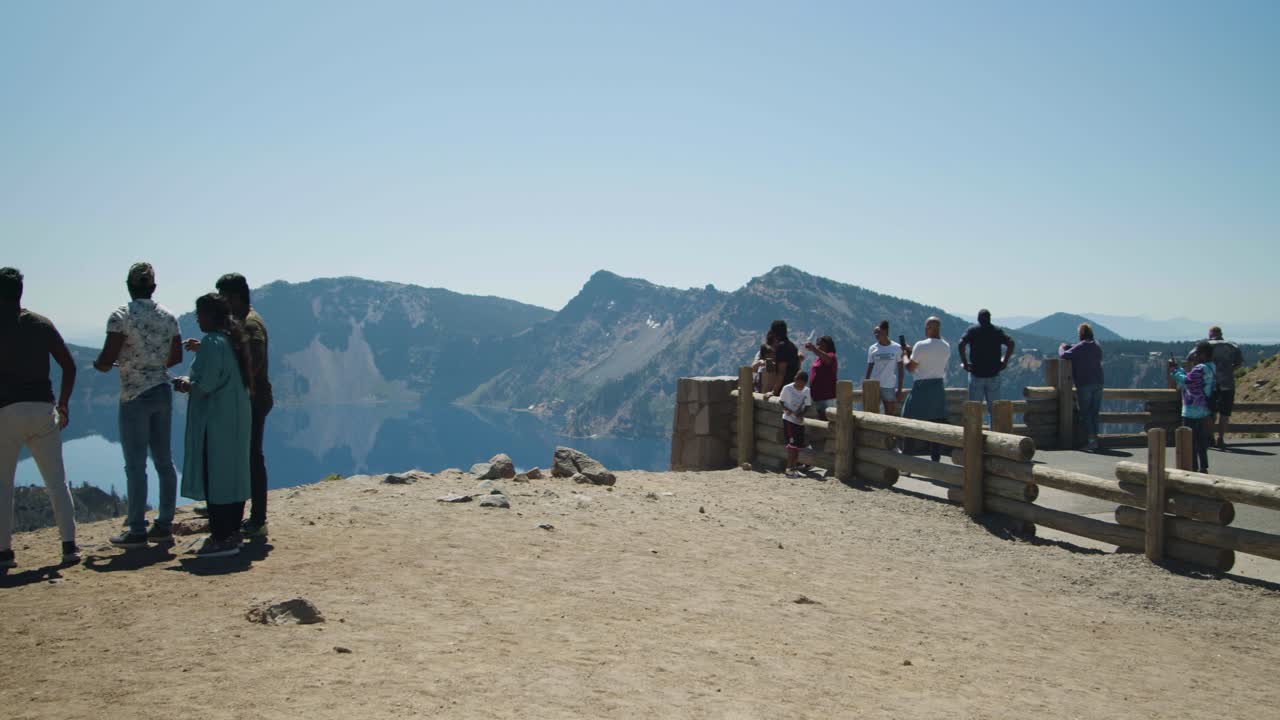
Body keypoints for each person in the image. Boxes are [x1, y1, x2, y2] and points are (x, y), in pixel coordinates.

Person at [94, 263, 183, 548]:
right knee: (164, 461)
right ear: (153, 288)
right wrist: (153, 365)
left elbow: (107, 358)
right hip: (161, 391)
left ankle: (136, 529)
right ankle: (165, 524)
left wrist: (103, 364)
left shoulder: (120, 316)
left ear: (129, 287)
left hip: (134, 396)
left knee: (135, 464)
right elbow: (177, 356)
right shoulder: (169, 317)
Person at [0, 267, 80, 570]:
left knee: (3, 485)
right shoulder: (41, 324)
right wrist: (63, 405)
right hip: (42, 409)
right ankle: (69, 546)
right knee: (57, 482)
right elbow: (69, 366)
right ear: (20, 291)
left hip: (5, 412)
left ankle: (5, 552)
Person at [188, 274, 273, 537]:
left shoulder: (251, 324)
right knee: (240, 456)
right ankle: (229, 504)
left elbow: (251, 362)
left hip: (252, 400)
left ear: (234, 296)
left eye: (223, 296)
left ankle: (256, 518)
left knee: (250, 457)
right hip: (247, 399)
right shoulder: (242, 321)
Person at [174, 294, 253, 558]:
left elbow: (205, 385)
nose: (197, 318)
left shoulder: (211, 342)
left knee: (216, 475)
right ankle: (233, 532)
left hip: (217, 420)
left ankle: (221, 537)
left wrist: (185, 384)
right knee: (234, 474)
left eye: (199, 313)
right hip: (237, 417)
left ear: (210, 315)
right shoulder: (233, 339)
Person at [902, 317, 950, 462]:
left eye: (925, 327)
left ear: (929, 327)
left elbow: (911, 367)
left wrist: (905, 355)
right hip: (938, 387)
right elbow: (929, 360)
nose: (924, 330)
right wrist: (913, 352)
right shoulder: (946, 346)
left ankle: (907, 457)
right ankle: (935, 459)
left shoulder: (920, 345)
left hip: (921, 387)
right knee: (936, 423)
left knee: (908, 418)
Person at [1187, 326, 1243, 450]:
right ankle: (1221, 438)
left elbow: (1190, 357)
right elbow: (1239, 363)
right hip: (1228, 384)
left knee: (1208, 412)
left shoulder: (1206, 345)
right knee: (1225, 413)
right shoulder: (1232, 345)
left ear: (1210, 334)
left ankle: (1210, 436)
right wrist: (1229, 370)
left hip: (1210, 385)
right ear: (1221, 334)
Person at [958, 309, 1015, 415]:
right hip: (993, 373)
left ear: (978, 318)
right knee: (995, 410)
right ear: (990, 318)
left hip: (976, 373)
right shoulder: (997, 331)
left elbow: (961, 343)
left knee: (974, 409)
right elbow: (1011, 343)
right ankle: (995, 431)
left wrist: (965, 363)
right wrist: (1005, 361)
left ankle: (974, 431)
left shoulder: (973, 330)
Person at [1172, 342, 1216, 473]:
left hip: (1192, 410)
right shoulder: (1211, 366)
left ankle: (1193, 468)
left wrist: (1174, 371)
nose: (1194, 355)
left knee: (1190, 441)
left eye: (1196, 353)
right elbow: (1192, 379)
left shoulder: (1200, 368)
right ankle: (1203, 466)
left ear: (1202, 354)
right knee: (1202, 441)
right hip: (1204, 409)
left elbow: (1187, 381)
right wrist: (1180, 370)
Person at [1060, 323, 1104, 452]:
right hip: (1099, 382)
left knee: (1085, 413)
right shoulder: (1096, 346)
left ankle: (1091, 441)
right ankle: (1095, 439)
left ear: (1081, 334)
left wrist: (1062, 347)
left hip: (1085, 383)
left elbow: (1064, 355)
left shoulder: (1081, 346)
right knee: (1094, 413)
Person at [865, 320, 903, 415]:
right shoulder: (872, 348)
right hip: (874, 384)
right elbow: (869, 366)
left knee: (889, 413)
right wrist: (866, 383)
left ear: (885, 331)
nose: (876, 335)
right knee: (872, 412)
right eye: (875, 333)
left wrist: (900, 389)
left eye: (878, 332)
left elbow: (900, 369)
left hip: (889, 385)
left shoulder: (896, 348)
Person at [779, 371, 812, 478]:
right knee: (792, 446)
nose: (797, 384)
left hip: (799, 422)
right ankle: (789, 470)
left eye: (800, 383)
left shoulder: (807, 391)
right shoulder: (787, 388)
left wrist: (801, 414)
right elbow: (781, 402)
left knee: (797, 446)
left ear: (804, 383)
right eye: (796, 381)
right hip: (789, 420)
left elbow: (808, 405)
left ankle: (794, 469)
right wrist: (787, 410)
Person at [804, 336, 838, 418]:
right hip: (816, 397)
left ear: (827, 345)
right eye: (817, 345)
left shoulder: (831, 356)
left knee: (827, 421)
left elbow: (827, 359)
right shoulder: (819, 359)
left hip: (826, 397)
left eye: (820, 345)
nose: (818, 347)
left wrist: (814, 349)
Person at [767, 320, 801, 397]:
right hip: (793, 387)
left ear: (774, 332)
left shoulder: (781, 347)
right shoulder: (792, 346)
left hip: (784, 389)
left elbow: (781, 372)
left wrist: (774, 392)